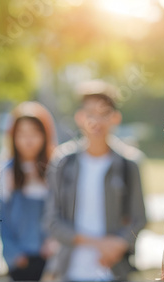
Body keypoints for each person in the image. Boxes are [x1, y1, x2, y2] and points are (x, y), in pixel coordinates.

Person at [43, 80, 147, 281]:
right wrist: (98, 244)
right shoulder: (62, 161)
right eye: (90, 113)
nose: (96, 121)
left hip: (114, 272)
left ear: (115, 118)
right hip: (69, 271)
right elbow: (52, 220)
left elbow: (139, 218)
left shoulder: (129, 164)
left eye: (104, 113)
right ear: (80, 117)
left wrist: (118, 245)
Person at [0, 101, 58, 281]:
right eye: (22, 133)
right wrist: (13, 254)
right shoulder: (4, 171)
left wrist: (54, 243)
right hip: (21, 261)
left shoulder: (55, 169)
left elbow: (63, 212)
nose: (28, 140)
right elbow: (1, 219)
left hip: (51, 259)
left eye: (34, 133)